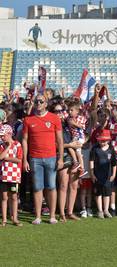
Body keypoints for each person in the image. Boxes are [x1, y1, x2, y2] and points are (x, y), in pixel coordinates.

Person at [22, 94, 64, 225]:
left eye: (41, 101)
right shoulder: (28, 120)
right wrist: (25, 159)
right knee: (37, 187)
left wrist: (61, 158)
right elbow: (24, 140)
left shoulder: (54, 118)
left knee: (51, 186)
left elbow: (60, 140)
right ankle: (38, 216)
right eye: (36, 101)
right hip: (34, 158)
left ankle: (52, 216)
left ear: (46, 104)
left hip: (51, 157)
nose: (38, 103)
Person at [90, 129, 117, 219]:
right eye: (101, 140)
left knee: (107, 193)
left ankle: (106, 210)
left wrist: (113, 174)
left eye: (104, 140)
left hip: (108, 175)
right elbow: (91, 162)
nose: (102, 142)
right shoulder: (95, 148)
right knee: (98, 193)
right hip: (97, 175)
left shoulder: (111, 149)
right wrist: (92, 174)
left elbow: (114, 163)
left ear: (108, 140)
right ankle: (100, 210)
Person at [0, 124, 23, 227]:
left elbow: (18, 159)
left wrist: (7, 158)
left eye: (3, 135)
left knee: (14, 197)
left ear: (9, 134)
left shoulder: (17, 145)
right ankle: (4, 219)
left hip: (14, 175)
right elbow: (1, 157)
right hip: (3, 175)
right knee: (4, 197)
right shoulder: (2, 145)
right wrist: (8, 146)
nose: (1, 137)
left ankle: (15, 219)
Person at [66, 101, 87, 177]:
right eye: (69, 110)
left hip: (79, 137)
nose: (69, 112)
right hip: (74, 137)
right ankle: (81, 167)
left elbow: (82, 127)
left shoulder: (81, 118)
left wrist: (74, 124)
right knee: (71, 148)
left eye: (71, 110)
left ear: (77, 111)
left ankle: (77, 164)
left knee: (76, 151)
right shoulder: (69, 118)